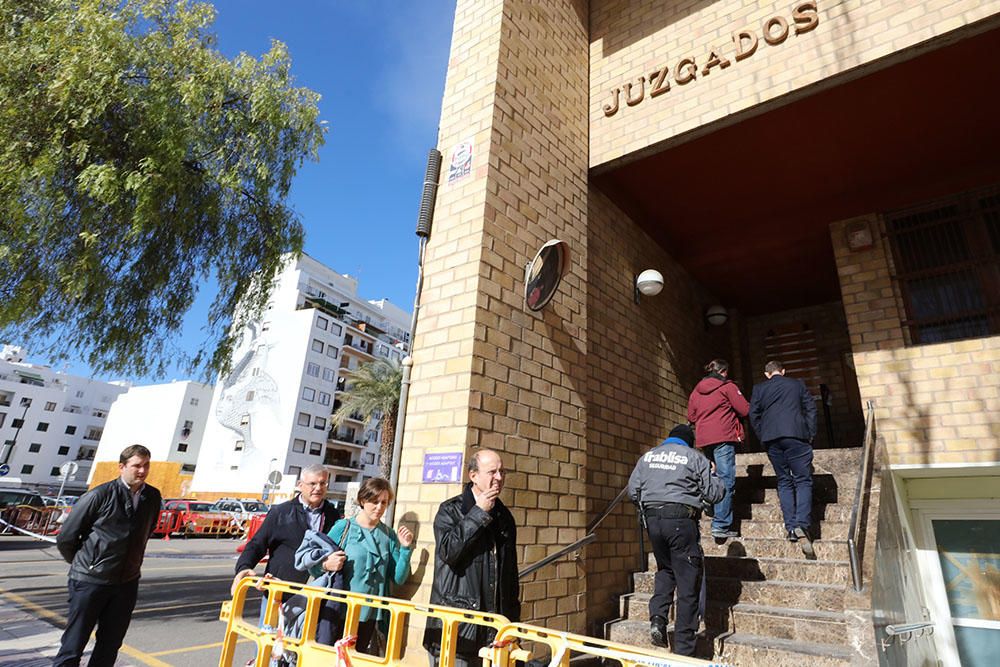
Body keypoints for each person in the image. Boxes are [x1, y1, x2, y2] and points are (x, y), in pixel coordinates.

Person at [54, 445, 162, 667]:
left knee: (110, 644)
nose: (142, 471)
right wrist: (87, 564)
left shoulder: (152, 497)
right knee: (74, 645)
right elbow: (66, 537)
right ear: (122, 467)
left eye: (146, 465)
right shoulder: (99, 495)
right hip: (90, 582)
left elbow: (146, 531)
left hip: (126, 583)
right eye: (137, 466)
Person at [628, 425, 723, 657]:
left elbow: (633, 492)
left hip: (653, 522)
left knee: (665, 570)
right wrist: (713, 473)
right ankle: (684, 649)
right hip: (680, 521)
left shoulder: (647, 456)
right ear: (689, 442)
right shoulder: (694, 457)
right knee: (688, 583)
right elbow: (714, 494)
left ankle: (658, 619)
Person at [423, 449, 519, 667]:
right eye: (492, 472)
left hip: (495, 630)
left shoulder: (505, 517)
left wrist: (513, 624)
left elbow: (510, 576)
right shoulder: (450, 510)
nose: (499, 478)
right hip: (459, 630)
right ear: (473, 476)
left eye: (502, 472)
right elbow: (449, 552)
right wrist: (478, 513)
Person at [232, 464, 341, 637]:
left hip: (315, 594)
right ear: (300, 485)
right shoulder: (280, 512)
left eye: (323, 483)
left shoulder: (334, 516)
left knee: (301, 650)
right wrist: (243, 567)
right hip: (279, 593)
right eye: (312, 483)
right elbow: (257, 544)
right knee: (270, 647)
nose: (318, 488)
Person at [316, 478, 413, 654]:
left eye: (384, 502)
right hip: (339, 610)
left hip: (369, 614)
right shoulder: (343, 528)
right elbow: (315, 564)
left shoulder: (389, 535)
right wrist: (326, 564)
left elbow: (398, 578)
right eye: (374, 501)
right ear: (362, 500)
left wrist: (406, 549)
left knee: (356, 659)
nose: (379, 507)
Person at [748, 359, 818, 558]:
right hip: (797, 435)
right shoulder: (797, 384)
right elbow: (811, 409)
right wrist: (810, 432)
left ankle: (791, 527)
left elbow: (754, 415)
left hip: (772, 439)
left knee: (784, 481)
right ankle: (802, 525)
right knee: (803, 480)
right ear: (783, 371)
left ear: (767, 373)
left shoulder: (759, 389)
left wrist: (763, 434)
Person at [687, 358, 750, 540]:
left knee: (711, 475)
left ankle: (708, 500)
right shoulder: (727, 386)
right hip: (723, 436)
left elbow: (691, 416)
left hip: (705, 439)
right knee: (726, 480)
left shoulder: (696, 390)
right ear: (724, 372)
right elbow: (744, 409)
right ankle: (721, 524)